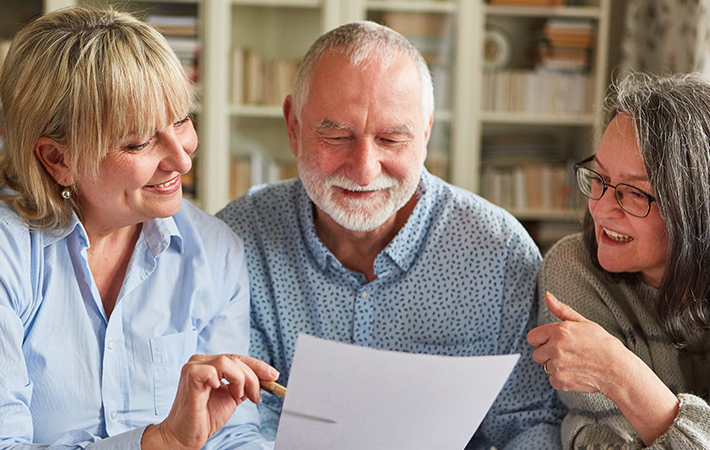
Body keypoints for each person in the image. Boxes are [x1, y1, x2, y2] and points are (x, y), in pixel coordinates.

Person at [0, 7, 278, 450]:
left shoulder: (214, 249)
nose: (182, 159)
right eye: (139, 142)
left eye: (180, 120)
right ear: (58, 159)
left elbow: (234, 434)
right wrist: (158, 442)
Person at [217, 21, 565, 448]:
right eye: (337, 136)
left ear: (425, 133)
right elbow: (230, 423)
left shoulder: (499, 254)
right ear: (293, 125)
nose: (364, 169)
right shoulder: (236, 241)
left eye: (391, 139)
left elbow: (531, 424)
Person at [528, 72, 710, 449]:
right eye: (600, 177)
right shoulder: (574, 270)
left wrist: (618, 372)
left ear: (694, 206)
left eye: (633, 193)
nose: (600, 208)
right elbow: (597, 439)